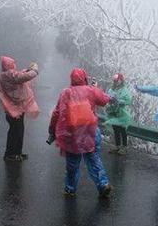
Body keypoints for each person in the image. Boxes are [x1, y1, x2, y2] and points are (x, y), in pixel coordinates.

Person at [48, 68, 114, 199]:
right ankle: (103, 183)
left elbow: (56, 113)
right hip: (91, 131)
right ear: (84, 78)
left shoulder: (65, 93)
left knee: (72, 163)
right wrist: (96, 89)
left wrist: (52, 130)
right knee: (93, 158)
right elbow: (105, 100)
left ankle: (70, 189)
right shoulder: (91, 90)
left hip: (72, 134)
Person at [0, 56, 40, 162]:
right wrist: (34, 70)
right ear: (8, 65)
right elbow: (23, 77)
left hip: (14, 108)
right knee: (15, 131)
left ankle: (17, 153)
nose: (14, 65)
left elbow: (19, 75)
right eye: (12, 63)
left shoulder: (5, 75)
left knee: (18, 130)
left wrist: (27, 69)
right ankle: (11, 154)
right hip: (14, 109)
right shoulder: (8, 75)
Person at [104, 73, 132, 155]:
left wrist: (119, 101)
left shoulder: (124, 90)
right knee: (116, 129)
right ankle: (117, 146)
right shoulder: (112, 89)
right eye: (115, 80)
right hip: (113, 112)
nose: (116, 82)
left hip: (121, 113)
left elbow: (128, 100)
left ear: (121, 80)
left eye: (117, 80)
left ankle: (124, 147)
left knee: (122, 130)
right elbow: (107, 97)